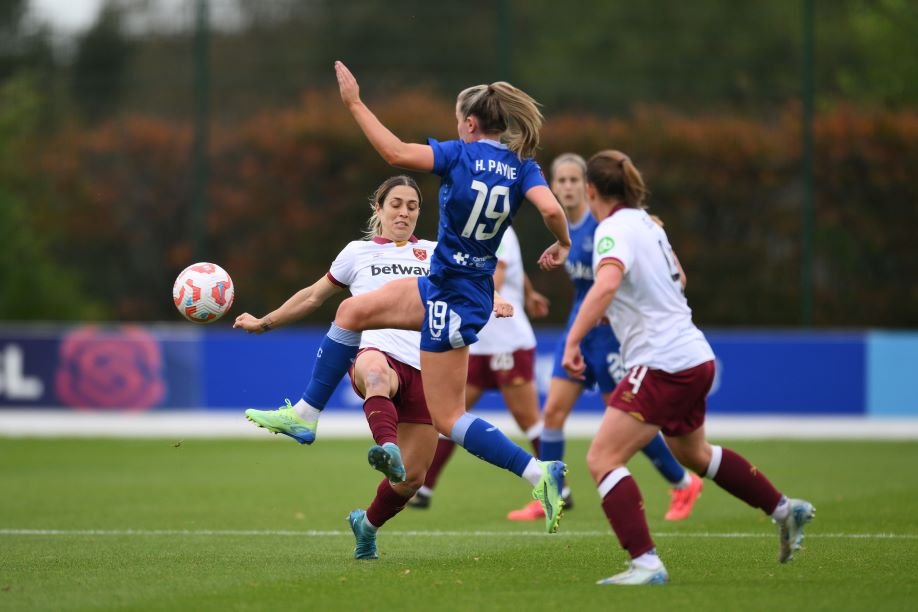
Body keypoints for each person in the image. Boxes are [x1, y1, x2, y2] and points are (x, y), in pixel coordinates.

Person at [562, 150, 815, 585]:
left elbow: (605, 284)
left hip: (662, 362)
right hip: (694, 355)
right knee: (693, 453)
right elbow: (678, 279)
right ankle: (784, 510)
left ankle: (646, 564)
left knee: (602, 457)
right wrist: (625, 307)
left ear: (590, 190)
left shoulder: (613, 228)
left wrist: (572, 338)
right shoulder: (648, 224)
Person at [236, 176, 444, 560]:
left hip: (428, 366)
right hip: (376, 354)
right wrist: (263, 322)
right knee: (377, 375)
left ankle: (366, 525)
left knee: (411, 481)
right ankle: (381, 444)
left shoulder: (435, 253)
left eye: (412, 206)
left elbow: (475, 283)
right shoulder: (356, 253)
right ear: (378, 209)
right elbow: (313, 296)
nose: (404, 212)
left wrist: (496, 297)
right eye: (395, 203)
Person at [505, 153, 703, 523]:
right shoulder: (564, 227)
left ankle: (682, 482)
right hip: (580, 328)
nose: (565, 187)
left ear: (588, 187)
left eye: (572, 180)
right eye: (559, 181)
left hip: (612, 335)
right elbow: (570, 257)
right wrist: (546, 268)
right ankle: (552, 493)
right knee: (552, 412)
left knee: (630, 416)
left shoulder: (606, 226)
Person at [407, 226, 549, 510]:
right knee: (449, 417)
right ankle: (424, 488)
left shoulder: (501, 232)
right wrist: (529, 292)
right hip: (476, 343)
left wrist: (470, 294)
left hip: (508, 342)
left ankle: (558, 487)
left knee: (528, 419)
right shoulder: (468, 233)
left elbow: (496, 274)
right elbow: (506, 271)